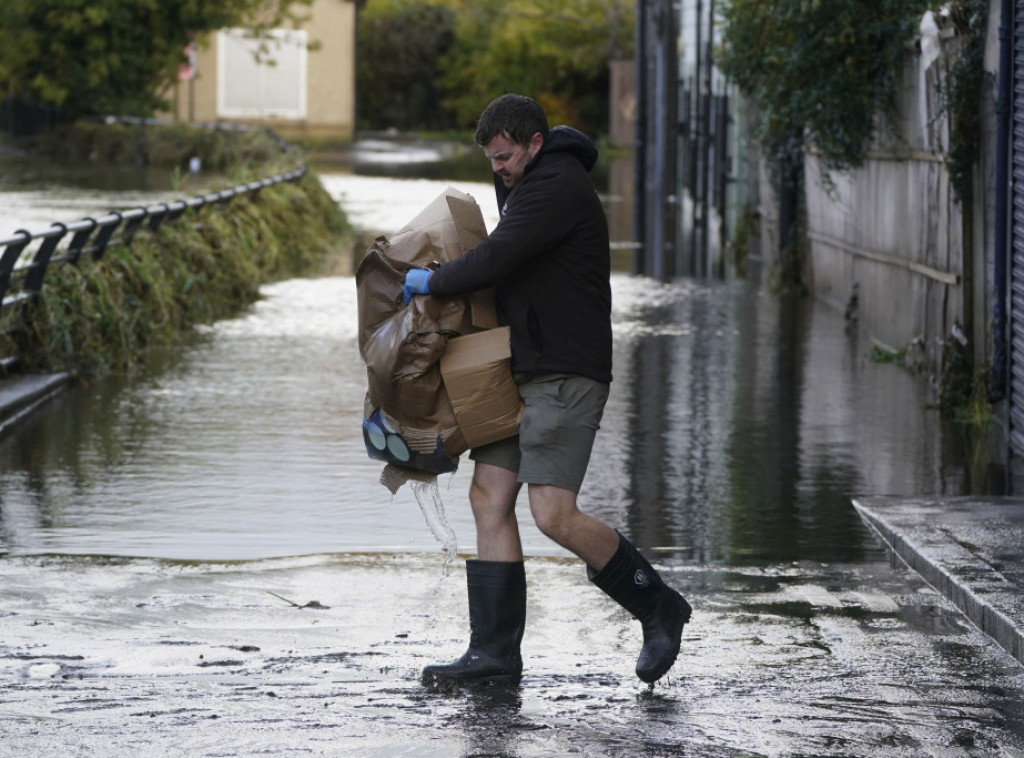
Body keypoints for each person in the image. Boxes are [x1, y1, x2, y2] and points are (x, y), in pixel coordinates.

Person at [403, 94, 691, 687]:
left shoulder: (556, 184)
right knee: (488, 495)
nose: (498, 169)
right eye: (491, 160)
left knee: (552, 513)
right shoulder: (528, 180)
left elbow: (497, 257)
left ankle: (658, 604)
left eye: (505, 157)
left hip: (567, 371)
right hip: (525, 368)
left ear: (535, 143)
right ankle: (494, 656)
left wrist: (431, 280)